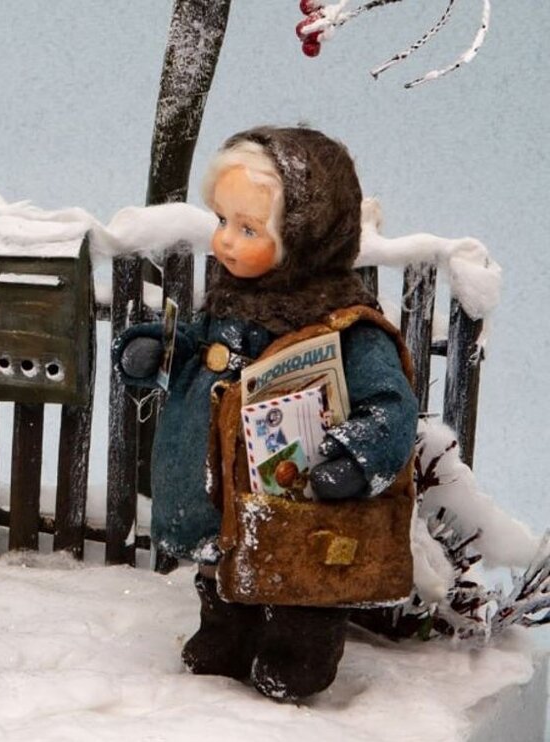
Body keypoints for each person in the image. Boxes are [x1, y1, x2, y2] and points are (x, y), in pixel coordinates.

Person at [114, 126, 418, 700]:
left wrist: (355, 460)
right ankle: (226, 632)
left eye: (248, 229)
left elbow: (391, 407)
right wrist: (157, 351)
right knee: (223, 565)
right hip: (223, 493)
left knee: (299, 575)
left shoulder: (346, 326)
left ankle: (298, 652)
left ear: (307, 237)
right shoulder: (229, 301)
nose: (226, 241)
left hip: (299, 498)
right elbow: (196, 349)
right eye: (222, 221)